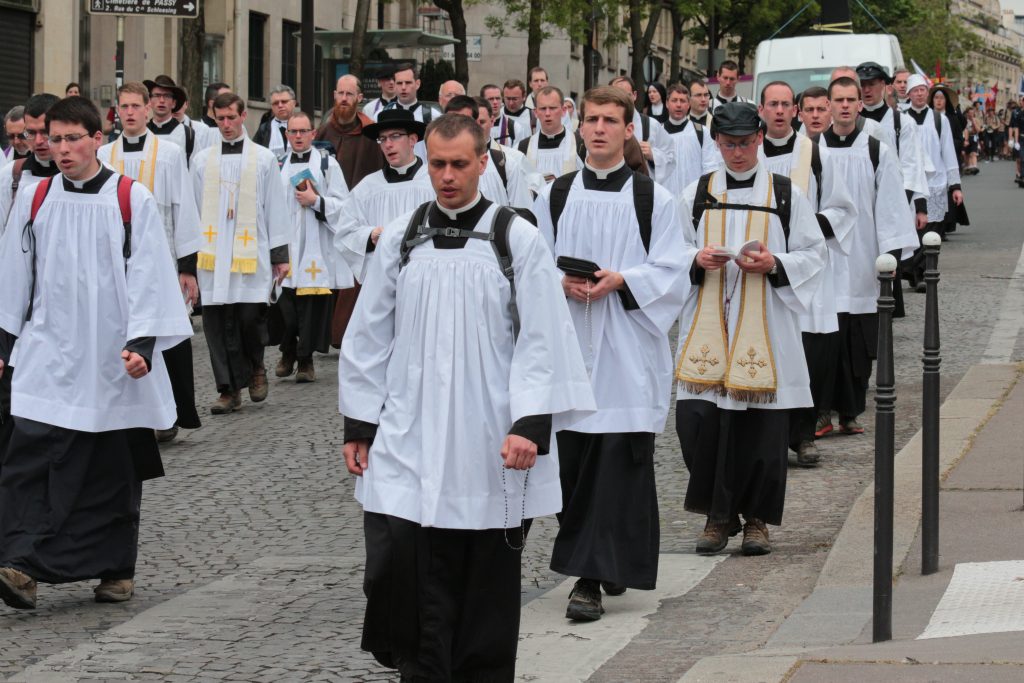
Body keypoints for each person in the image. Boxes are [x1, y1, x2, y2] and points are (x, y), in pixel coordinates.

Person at [339, 112, 594, 680]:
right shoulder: (404, 237)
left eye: (459, 164)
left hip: (486, 438)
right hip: (410, 432)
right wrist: (360, 424)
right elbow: (368, 333)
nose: (447, 176)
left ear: (483, 162)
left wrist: (529, 424)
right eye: (437, 164)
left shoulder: (515, 238)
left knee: (484, 585)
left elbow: (543, 336)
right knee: (400, 571)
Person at [0, 96, 192, 610]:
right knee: (28, 457)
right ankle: (19, 562)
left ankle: (115, 568)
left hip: (111, 359)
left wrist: (141, 345)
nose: (60, 149)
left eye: (71, 138)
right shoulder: (35, 198)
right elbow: (15, 274)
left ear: (97, 139)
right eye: (53, 138)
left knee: (110, 469)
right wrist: (5, 342)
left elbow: (150, 276)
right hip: (48, 351)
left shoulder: (132, 199)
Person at [534, 86, 688, 621]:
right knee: (574, 467)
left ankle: (589, 580)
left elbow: (674, 271)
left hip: (627, 353)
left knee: (618, 467)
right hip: (572, 348)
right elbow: (535, 264)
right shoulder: (556, 195)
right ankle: (606, 561)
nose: (599, 129)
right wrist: (561, 283)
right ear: (580, 129)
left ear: (629, 132)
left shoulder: (656, 201)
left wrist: (624, 280)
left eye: (611, 121)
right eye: (592, 120)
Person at [675, 102, 826, 556]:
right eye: (727, 145)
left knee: (761, 430)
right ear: (716, 143)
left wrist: (774, 262)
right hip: (709, 323)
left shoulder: (784, 194)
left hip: (765, 325)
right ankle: (718, 516)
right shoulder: (697, 193)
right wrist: (695, 259)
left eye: (744, 144)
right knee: (700, 425)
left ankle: (756, 519)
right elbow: (670, 250)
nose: (736, 153)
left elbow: (813, 254)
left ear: (759, 139)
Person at [757, 81, 856, 467]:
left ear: (795, 111)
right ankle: (768, 438)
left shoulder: (815, 154)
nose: (779, 111)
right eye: (772, 105)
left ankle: (803, 436)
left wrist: (809, 224)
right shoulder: (749, 155)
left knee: (809, 356)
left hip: (808, 272)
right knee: (770, 353)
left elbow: (843, 208)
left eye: (786, 105)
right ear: (762, 110)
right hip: (763, 270)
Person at [98, 82, 202, 443]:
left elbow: (184, 207)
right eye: (122, 106)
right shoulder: (104, 155)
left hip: (163, 257)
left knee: (165, 333)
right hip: (115, 261)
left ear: (147, 110)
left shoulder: (170, 153)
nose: (129, 112)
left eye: (135, 106)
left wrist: (187, 267)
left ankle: (170, 412)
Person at [816, 77, 918, 438]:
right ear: (828, 105)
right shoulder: (813, 151)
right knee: (827, 336)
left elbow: (890, 204)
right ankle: (822, 411)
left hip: (862, 256)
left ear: (861, 105)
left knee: (858, 341)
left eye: (850, 100)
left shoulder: (876, 149)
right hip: (826, 256)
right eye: (838, 100)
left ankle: (851, 410)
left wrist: (888, 256)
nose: (844, 106)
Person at [190, 93, 291, 413]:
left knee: (249, 317)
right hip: (212, 254)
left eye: (231, 118)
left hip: (251, 251)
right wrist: (189, 259)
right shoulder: (201, 160)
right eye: (219, 119)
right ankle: (228, 389)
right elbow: (192, 209)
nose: (226, 125)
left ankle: (256, 367)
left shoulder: (262, 159)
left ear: (243, 116)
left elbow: (276, 207)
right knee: (217, 323)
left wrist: (280, 256)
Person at [270, 111, 349, 384]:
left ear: (313, 134)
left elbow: (343, 205)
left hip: (316, 244)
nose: (298, 136)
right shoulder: (277, 164)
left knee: (310, 307)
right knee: (287, 307)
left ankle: (305, 360)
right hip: (286, 245)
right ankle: (289, 348)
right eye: (293, 132)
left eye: (304, 131)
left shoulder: (328, 164)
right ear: (286, 134)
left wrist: (315, 200)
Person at [315, 74, 386, 348]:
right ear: (334, 95)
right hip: (326, 214)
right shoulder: (323, 131)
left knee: (351, 279)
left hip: (359, 214)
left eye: (349, 94)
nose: (344, 99)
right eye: (340, 94)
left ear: (359, 98)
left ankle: (343, 335)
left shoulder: (370, 132)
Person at [335, 109, 435, 283]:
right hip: (382, 281)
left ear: (412, 140)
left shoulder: (434, 181)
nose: (388, 144)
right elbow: (345, 234)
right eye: (382, 139)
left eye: (395, 136)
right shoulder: (367, 188)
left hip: (426, 277)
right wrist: (370, 235)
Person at [906, 74, 962, 281]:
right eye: (915, 90)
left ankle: (925, 272)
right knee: (914, 228)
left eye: (922, 90)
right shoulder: (902, 118)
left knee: (932, 232)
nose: (919, 94)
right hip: (911, 183)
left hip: (935, 183)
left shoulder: (940, 120)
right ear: (909, 94)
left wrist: (955, 185)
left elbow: (948, 152)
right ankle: (912, 270)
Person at [445, 96, 535, 212]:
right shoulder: (436, 167)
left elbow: (523, 211)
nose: (457, 129)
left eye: (481, 122)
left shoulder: (508, 162)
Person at [0, 94, 61, 226]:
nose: (38, 141)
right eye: (31, 133)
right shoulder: (10, 175)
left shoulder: (82, 176)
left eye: (45, 131)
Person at [658, 83, 720, 195]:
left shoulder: (701, 132)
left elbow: (710, 168)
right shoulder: (657, 134)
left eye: (682, 101)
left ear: (689, 104)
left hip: (693, 201)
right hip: (665, 202)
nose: (678, 105)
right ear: (667, 103)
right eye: (674, 100)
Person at [517, 85, 584, 189]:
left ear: (563, 110)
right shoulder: (522, 147)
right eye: (543, 109)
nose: (547, 113)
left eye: (552, 108)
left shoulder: (580, 145)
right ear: (535, 112)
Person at [610, 75, 674, 179]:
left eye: (627, 95)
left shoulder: (651, 125)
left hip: (641, 189)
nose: (622, 101)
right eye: (616, 96)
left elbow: (671, 158)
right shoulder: (601, 126)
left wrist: (653, 155)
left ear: (634, 95)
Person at [144, 75, 204, 166]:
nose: (161, 100)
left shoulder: (187, 135)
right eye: (157, 95)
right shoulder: (142, 132)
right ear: (149, 101)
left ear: (174, 103)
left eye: (167, 96)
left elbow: (196, 170)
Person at [253, 85, 297, 157]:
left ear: (294, 103)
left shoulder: (304, 126)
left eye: (284, 101)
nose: (280, 105)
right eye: (276, 103)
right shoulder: (264, 129)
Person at [501, 78, 535, 143]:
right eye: (508, 99)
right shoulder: (498, 115)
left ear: (524, 96)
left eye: (514, 99)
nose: (511, 103)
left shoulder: (533, 116)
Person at [963, 105, 981, 175]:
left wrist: (973, 122)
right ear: (967, 113)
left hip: (974, 137)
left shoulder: (976, 120)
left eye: (972, 113)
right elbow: (964, 129)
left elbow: (978, 130)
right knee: (966, 154)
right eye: (970, 113)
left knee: (973, 153)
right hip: (966, 137)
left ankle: (974, 167)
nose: (971, 114)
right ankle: (968, 167)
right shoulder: (964, 120)